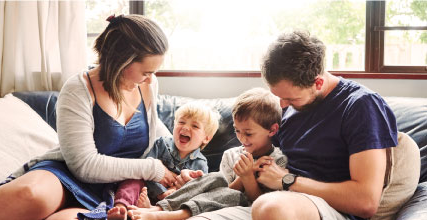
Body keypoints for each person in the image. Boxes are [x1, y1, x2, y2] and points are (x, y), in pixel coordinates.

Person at [0, 14, 178, 220]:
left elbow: (159, 139)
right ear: (121, 61)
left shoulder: (147, 85)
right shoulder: (78, 89)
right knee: (28, 194)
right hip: (65, 174)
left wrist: (180, 170)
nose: (150, 78)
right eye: (146, 72)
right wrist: (152, 168)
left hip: (115, 192)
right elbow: (83, 166)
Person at [251, 31, 400, 220]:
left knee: (270, 208)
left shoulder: (360, 106)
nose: (282, 105)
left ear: (318, 82)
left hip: (328, 208)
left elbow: (366, 202)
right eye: (278, 97)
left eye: (290, 98)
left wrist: (287, 180)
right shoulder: (289, 106)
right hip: (276, 200)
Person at [126, 87, 288, 220]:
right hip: (217, 198)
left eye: (249, 133)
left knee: (231, 194)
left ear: (272, 130)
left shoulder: (277, 161)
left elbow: (257, 202)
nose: (241, 138)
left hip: (241, 205)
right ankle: (160, 208)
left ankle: (168, 215)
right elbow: (222, 188)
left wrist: (247, 177)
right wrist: (244, 174)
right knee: (216, 177)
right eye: (237, 131)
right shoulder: (231, 155)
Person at [107, 102, 221, 220]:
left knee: (188, 201)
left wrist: (175, 191)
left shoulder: (201, 163)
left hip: (170, 205)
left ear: (206, 138)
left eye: (195, 126)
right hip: (146, 189)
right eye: (181, 122)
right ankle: (121, 207)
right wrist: (160, 192)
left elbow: (197, 190)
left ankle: (149, 208)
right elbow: (145, 168)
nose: (186, 127)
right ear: (174, 125)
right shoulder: (161, 143)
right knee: (134, 179)